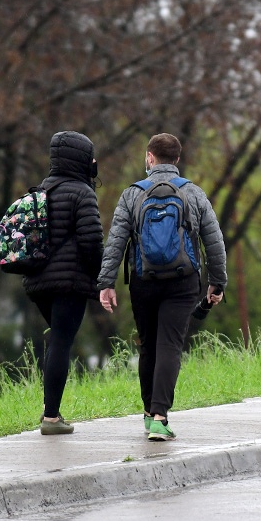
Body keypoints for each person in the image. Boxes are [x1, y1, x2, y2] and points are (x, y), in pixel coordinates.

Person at [98, 133, 227, 441]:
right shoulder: (193, 193)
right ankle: (159, 417)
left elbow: (115, 240)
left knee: (148, 345)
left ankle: (147, 414)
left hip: (144, 281)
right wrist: (217, 282)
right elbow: (214, 239)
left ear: (150, 158)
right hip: (183, 282)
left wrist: (106, 282)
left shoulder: (132, 195)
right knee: (170, 344)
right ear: (177, 161)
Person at [24, 130, 103, 435]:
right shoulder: (82, 193)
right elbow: (92, 241)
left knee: (56, 338)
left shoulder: (39, 191)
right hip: (69, 283)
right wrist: (99, 277)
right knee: (61, 342)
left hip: (37, 282)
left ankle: (50, 412)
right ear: (82, 159)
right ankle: (51, 418)